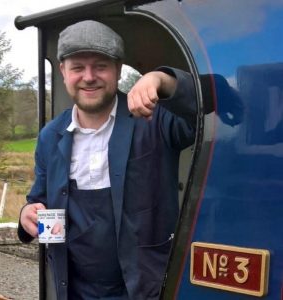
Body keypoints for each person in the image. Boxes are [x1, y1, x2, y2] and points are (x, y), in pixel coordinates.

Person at [18, 20, 197, 300]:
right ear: (63, 71)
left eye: (100, 66)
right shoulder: (50, 136)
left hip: (145, 290)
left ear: (117, 69)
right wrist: (25, 213)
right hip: (74, 291)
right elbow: (39, 199)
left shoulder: (155, 119)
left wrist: (161, 79)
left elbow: (205, 109)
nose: (89, 77)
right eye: (78, 67)